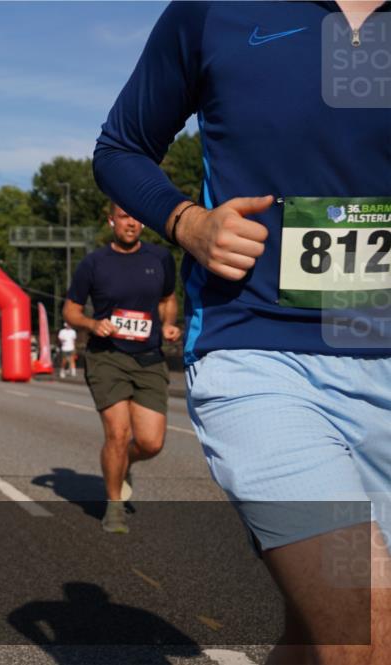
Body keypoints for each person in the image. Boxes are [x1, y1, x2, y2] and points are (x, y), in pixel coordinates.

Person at [94, 1, 389, 661]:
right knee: (367, 630)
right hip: (259, 350)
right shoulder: (214, 11)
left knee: (316, 640)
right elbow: (120, 148)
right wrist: (188, 222)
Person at [63, 203, 181, 534]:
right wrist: (92, 324)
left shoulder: (160, 258)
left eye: (136, 217)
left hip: (149, 357)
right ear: (111, 220)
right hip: (107, 357)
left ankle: (122, 464)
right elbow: (70, 310)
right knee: (117, 433)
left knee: (151, 443)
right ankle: (114, 506)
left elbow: (168, 299)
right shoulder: (94, 263)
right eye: (124, 217)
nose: (131, 223)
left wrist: (168, 324)